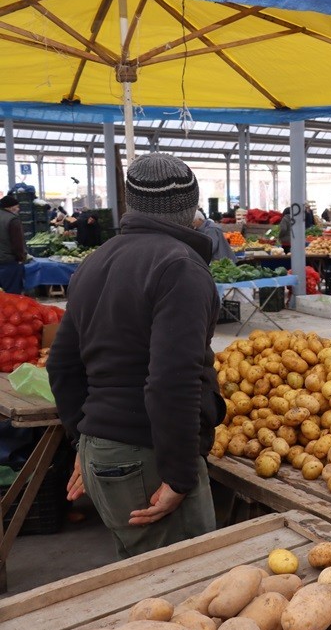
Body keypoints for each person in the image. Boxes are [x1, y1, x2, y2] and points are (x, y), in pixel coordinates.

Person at [47, 153, 223, 558]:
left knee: (141, 582)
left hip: (106, 450)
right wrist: (179, 477)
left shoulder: (94, 263)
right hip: (150, 453)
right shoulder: (180, 266)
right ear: (190, 205)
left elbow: (62, 366)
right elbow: (171, 380)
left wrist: (85, 440)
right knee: (182, 586)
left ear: (132, 203)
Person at [0, 194, 28, 294]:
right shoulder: (12, 220)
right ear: (11, 207)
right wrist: (21, 258)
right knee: (12, 297)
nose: (18, 209)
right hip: (9, 263)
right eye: (17, 207)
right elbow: (17, 243)